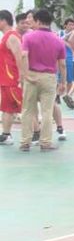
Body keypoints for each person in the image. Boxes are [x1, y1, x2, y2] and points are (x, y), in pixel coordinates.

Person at [19, 9, 66, 151]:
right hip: (49, 77)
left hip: (32, 76)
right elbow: (62, 64)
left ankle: (25, 142)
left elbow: (23, 56)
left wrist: (25, 74)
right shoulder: (58, 40)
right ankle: (45, 142)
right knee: (47, 111)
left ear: (38, 21)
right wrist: (63, 82)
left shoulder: (28, 37)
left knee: (27, 110)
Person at [0, 10, 23, 146]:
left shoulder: (12, 37)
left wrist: (20, 77)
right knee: (7, 108)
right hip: (6, 81)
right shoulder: (5, 37)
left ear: (3, 21)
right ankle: (6, 135)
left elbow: (19, 57)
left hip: (13, 80)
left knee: (25, 108)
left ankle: (37, 133)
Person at [58, 18, 74, 110]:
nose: (71, 26)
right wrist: (67, 43)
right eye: (69, 24)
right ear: (65, 25)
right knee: (59, 78)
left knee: (70, 79)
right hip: (60, 57)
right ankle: (58, 94)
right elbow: (59, 40)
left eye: (73, 25)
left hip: (70, 58)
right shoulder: (60, 33)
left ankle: (68, 95)